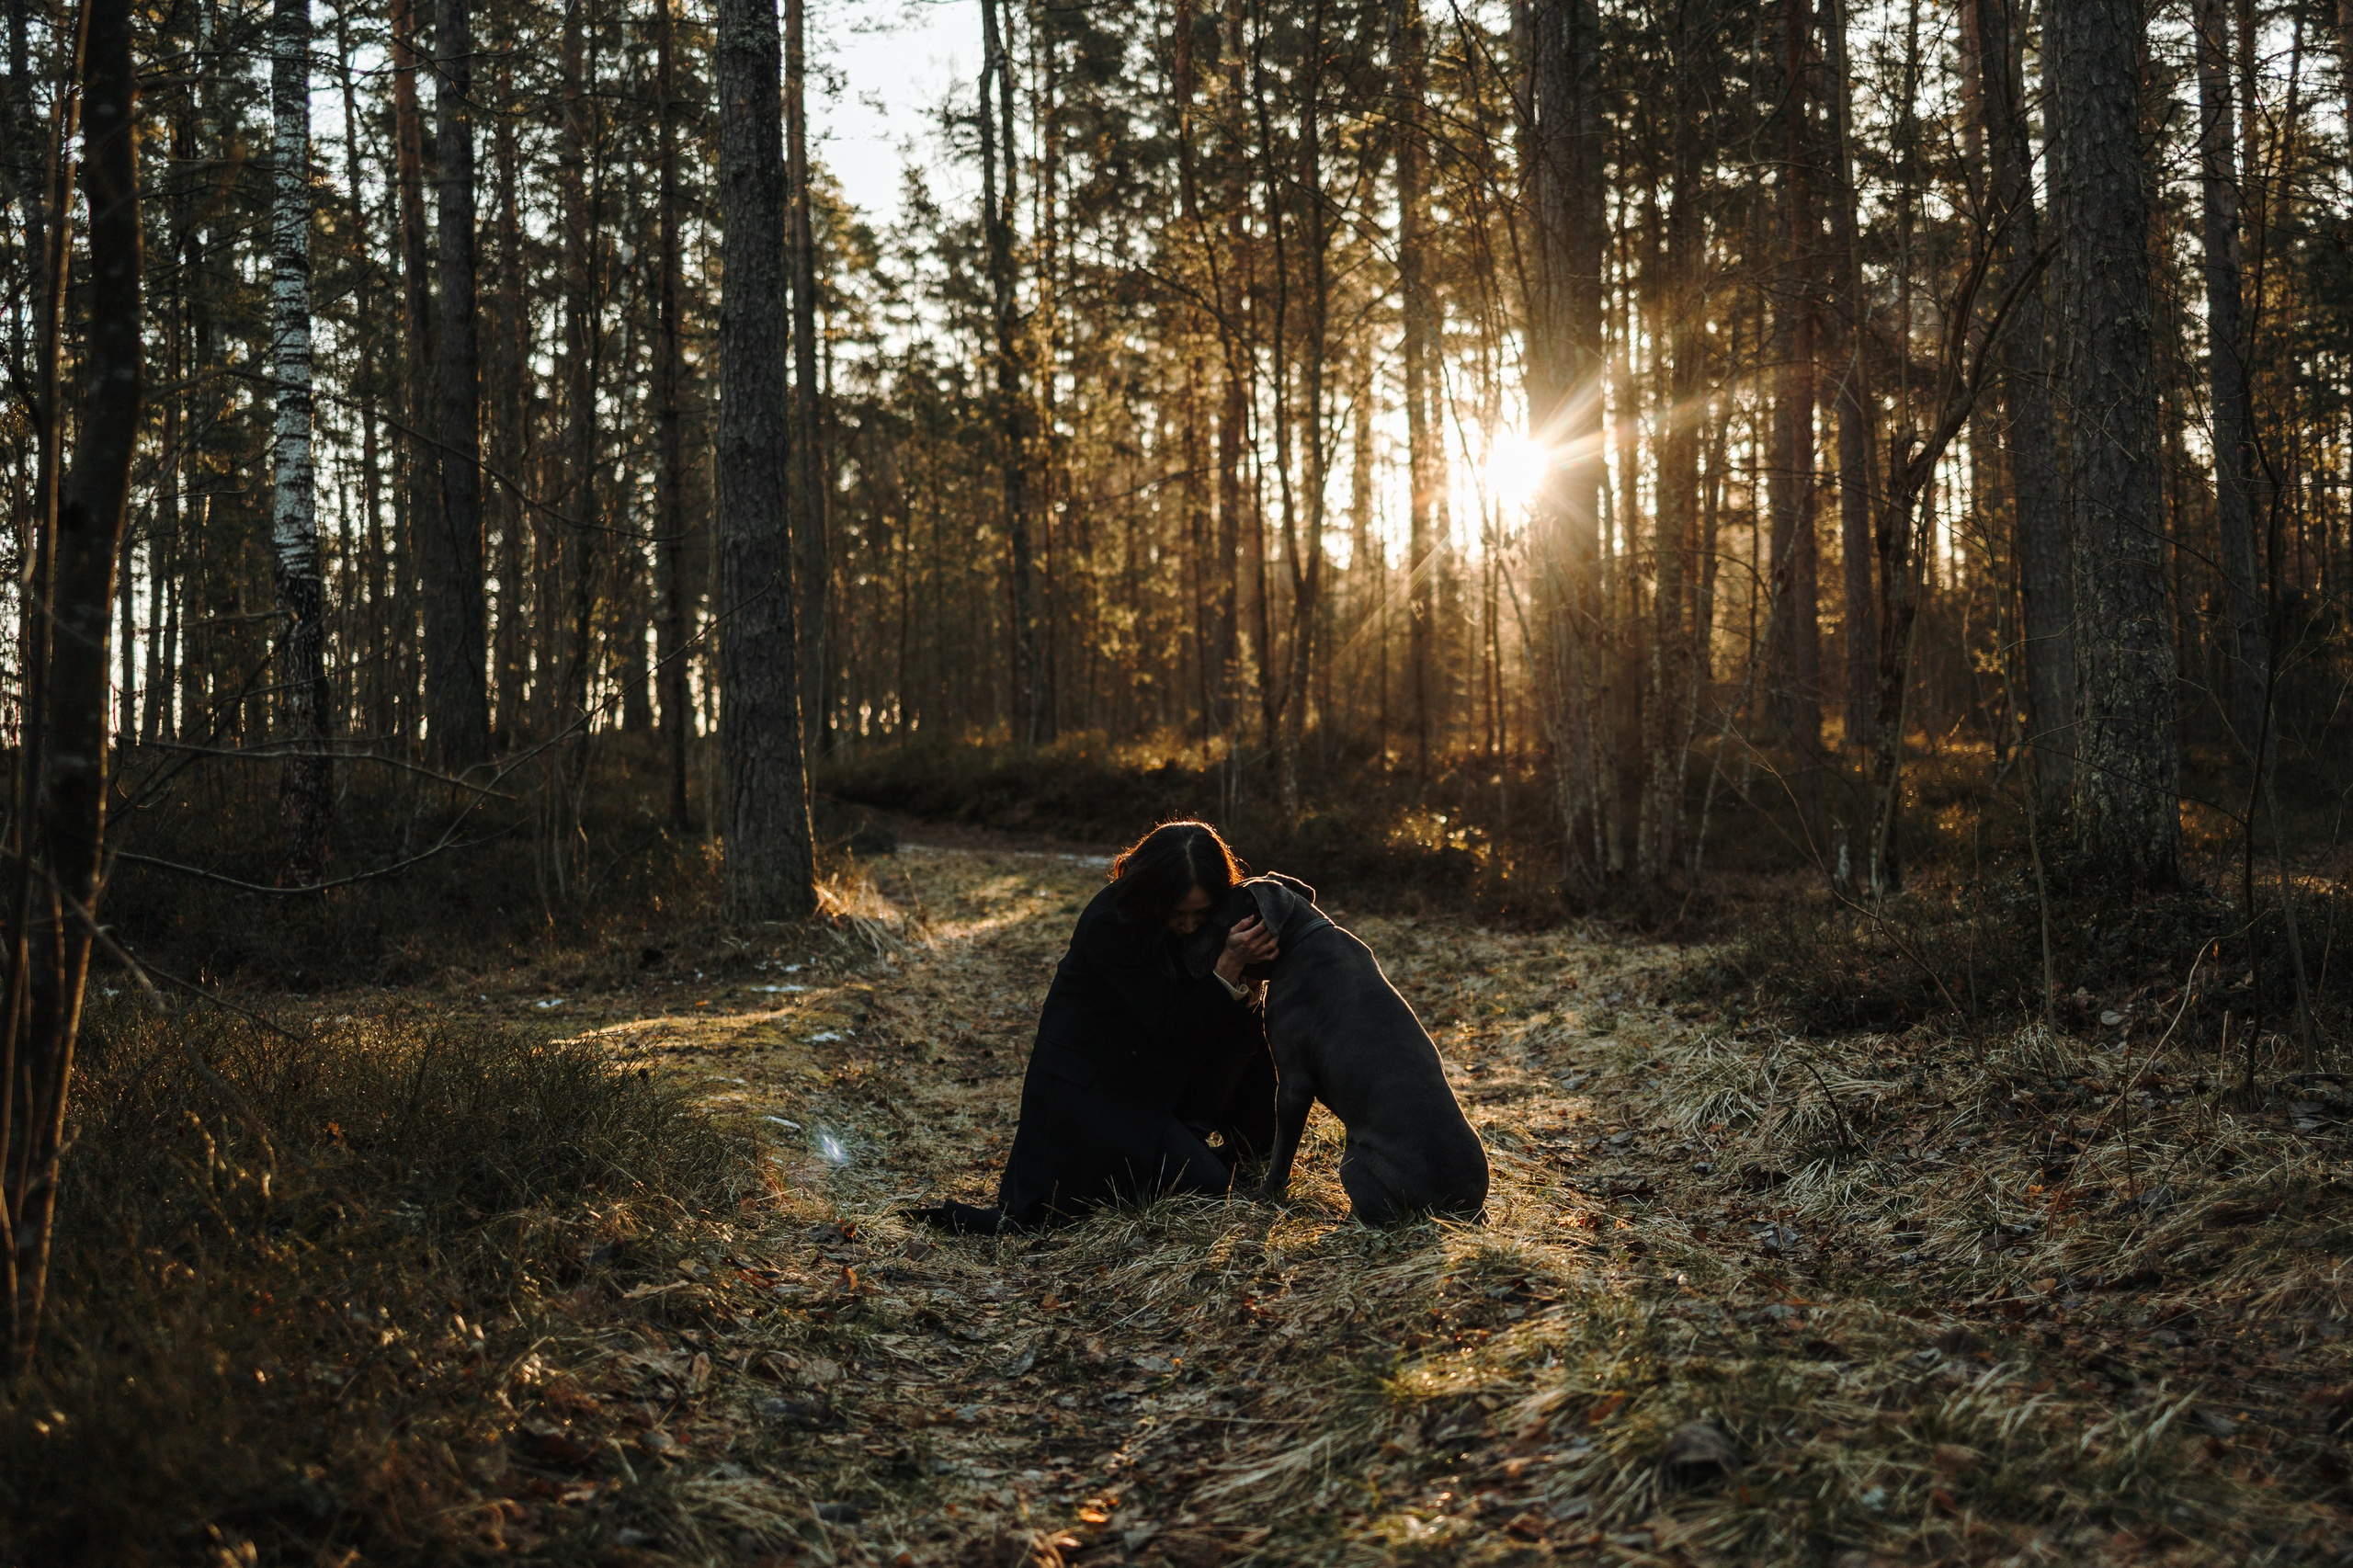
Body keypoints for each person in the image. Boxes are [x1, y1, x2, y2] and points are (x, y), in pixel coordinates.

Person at [920, 821, 1279, 1233]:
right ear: (1153, 896)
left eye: (1202, 913)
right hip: (1094, 1097)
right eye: (1177, 913)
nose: (1190, 926)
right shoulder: (1111, 923)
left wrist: (1247, 979)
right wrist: (1227, 967)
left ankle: (1210, 1144)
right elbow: (1174, 1027)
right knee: (1210, 1189)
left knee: (1248, 1044)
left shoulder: (1203, 926)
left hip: (1150, 1079)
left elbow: (1209, 1027)